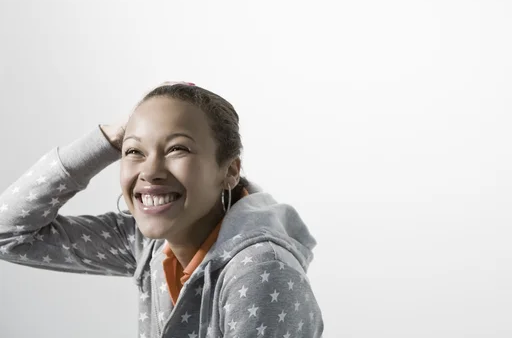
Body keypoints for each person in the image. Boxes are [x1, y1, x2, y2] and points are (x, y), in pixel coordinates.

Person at [0, 82, 324, 338]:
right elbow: (8, 235)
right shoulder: (148, 244)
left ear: (230, 171)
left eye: (177, 148)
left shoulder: (259, 272)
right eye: (133, 151)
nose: (150, 170)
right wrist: (107, 139)